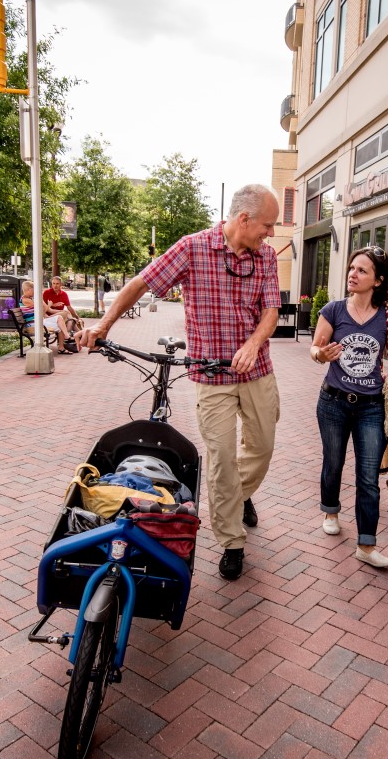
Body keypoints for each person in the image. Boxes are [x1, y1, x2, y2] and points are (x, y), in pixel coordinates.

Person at [76, 184, 283, 581]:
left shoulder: (267, 257)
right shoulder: (193, 248)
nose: (270, 233)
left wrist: (255, 344)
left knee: (262, 447)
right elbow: (141, 283)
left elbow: (271, 311)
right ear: (244, 219)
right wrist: (102, 325)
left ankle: (237, 498)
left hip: (257, 370)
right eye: (267, 225)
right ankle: (231, 540)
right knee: (222, 457)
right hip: (211, 376)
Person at [310, 247, 388, 569]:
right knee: (334, 462)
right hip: (333, 402)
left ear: (378, 280)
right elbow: (315, 347)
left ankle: (366, 545)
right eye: (352, 268)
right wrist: (321, 355)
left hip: (371, 407)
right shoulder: (333, 310)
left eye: (362, 271)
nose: (352, 274)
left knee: (368, 476)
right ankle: (330, 509)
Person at [43, 275, 82, 348]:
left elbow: (69, 307)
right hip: (50, 318)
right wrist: (53, 305)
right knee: (69, 316)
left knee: (73, 320)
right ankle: (78, 335)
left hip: (59, 316)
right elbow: (44, 308)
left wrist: (77, 317)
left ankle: (78, 335)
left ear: (61, 284)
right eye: (53, 283)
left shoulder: (64, 294)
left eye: (57, 284)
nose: (55, 286)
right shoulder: (46, 293)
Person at [20, 280, 62, 349]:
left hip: (37, 322)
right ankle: (62, 345)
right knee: (60, 326)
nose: (35, 292)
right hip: (32, 324)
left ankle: (63, 344)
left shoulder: (30, 298)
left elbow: (43, 310)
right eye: (34, 290)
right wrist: (48, 305)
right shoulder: (26, 300)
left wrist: (42, 301)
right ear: (29, 289)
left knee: (60, 320)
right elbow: (41, 312)